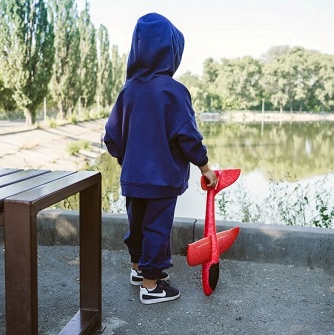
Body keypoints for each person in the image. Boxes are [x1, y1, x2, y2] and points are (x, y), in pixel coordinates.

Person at [104, 12, 217, 305]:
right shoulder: (173, 91)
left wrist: (126, 160)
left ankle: (138, 270)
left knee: (137, 225)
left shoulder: (127, 91)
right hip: (162, 179)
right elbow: (187, 136)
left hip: (133, 178)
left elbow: (112, 137)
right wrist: (205, 166)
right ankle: (152, 287)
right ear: (171, 53)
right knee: (157, 229)